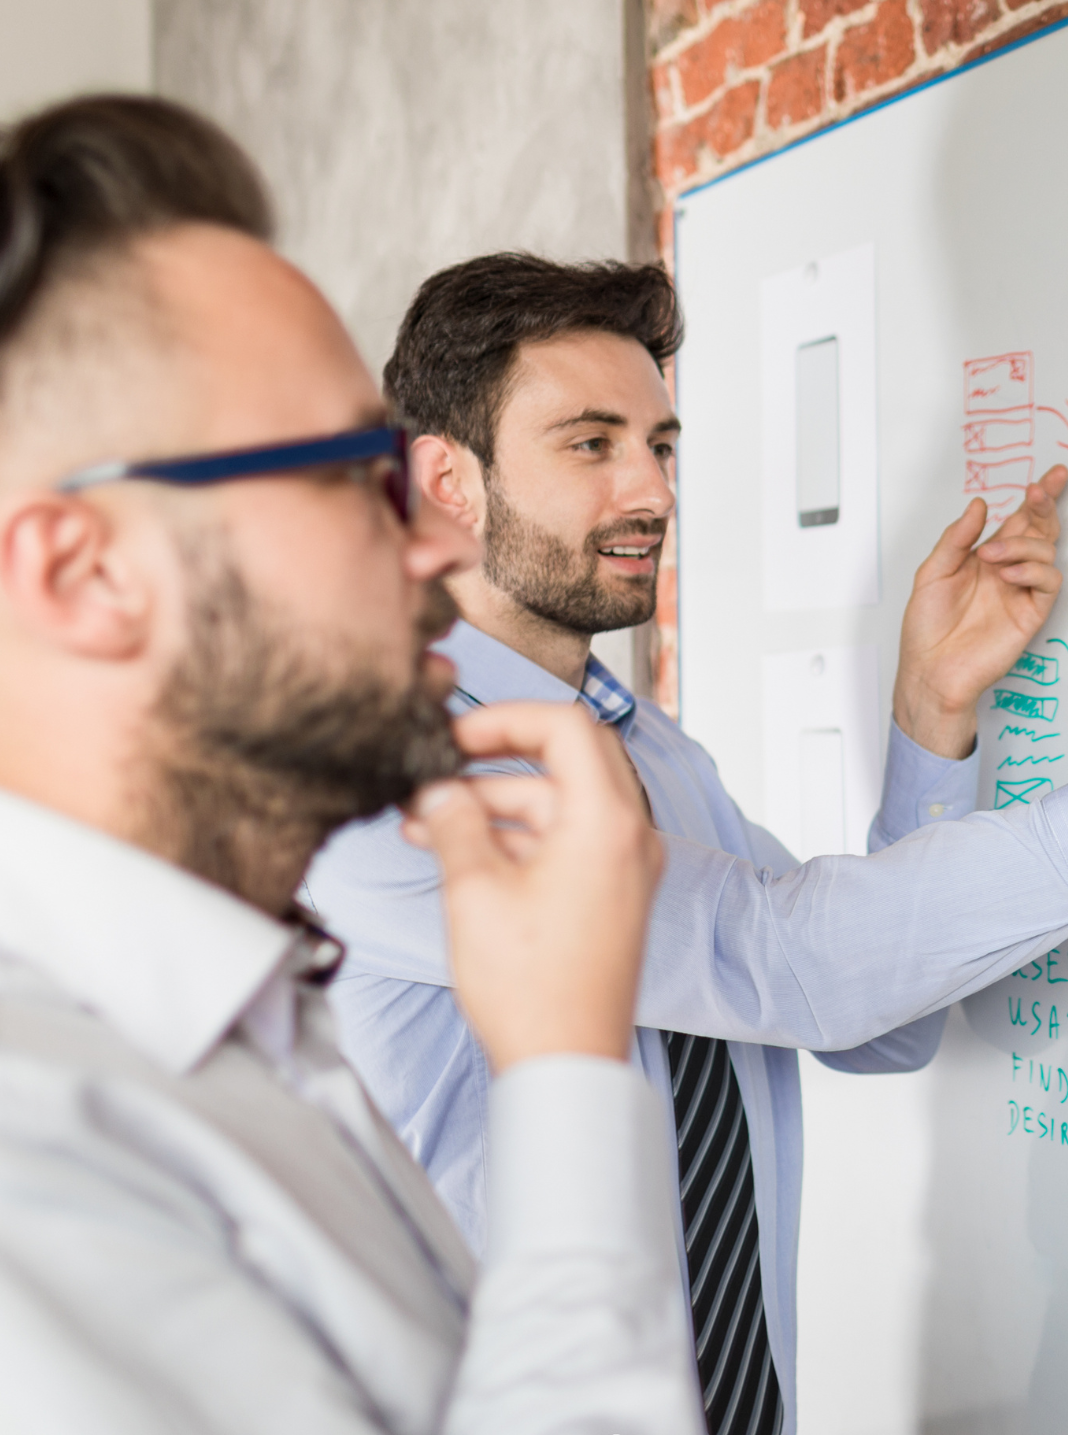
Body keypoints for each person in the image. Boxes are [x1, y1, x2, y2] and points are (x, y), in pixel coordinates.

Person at [307, 257, 1068, 1433]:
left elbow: (873, 1020)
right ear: (443, 480)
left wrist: (932, 713)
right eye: (590, 443)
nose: (652, 491)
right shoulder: (392, 781)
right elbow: (802, 966)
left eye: (661, 445)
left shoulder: (645, 747)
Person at [0, 95, 704, 1433]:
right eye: (349, 473)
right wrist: (563, 1063)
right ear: (86, 573)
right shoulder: (31, 1166)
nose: (441, 545)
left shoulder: (250, 1011)